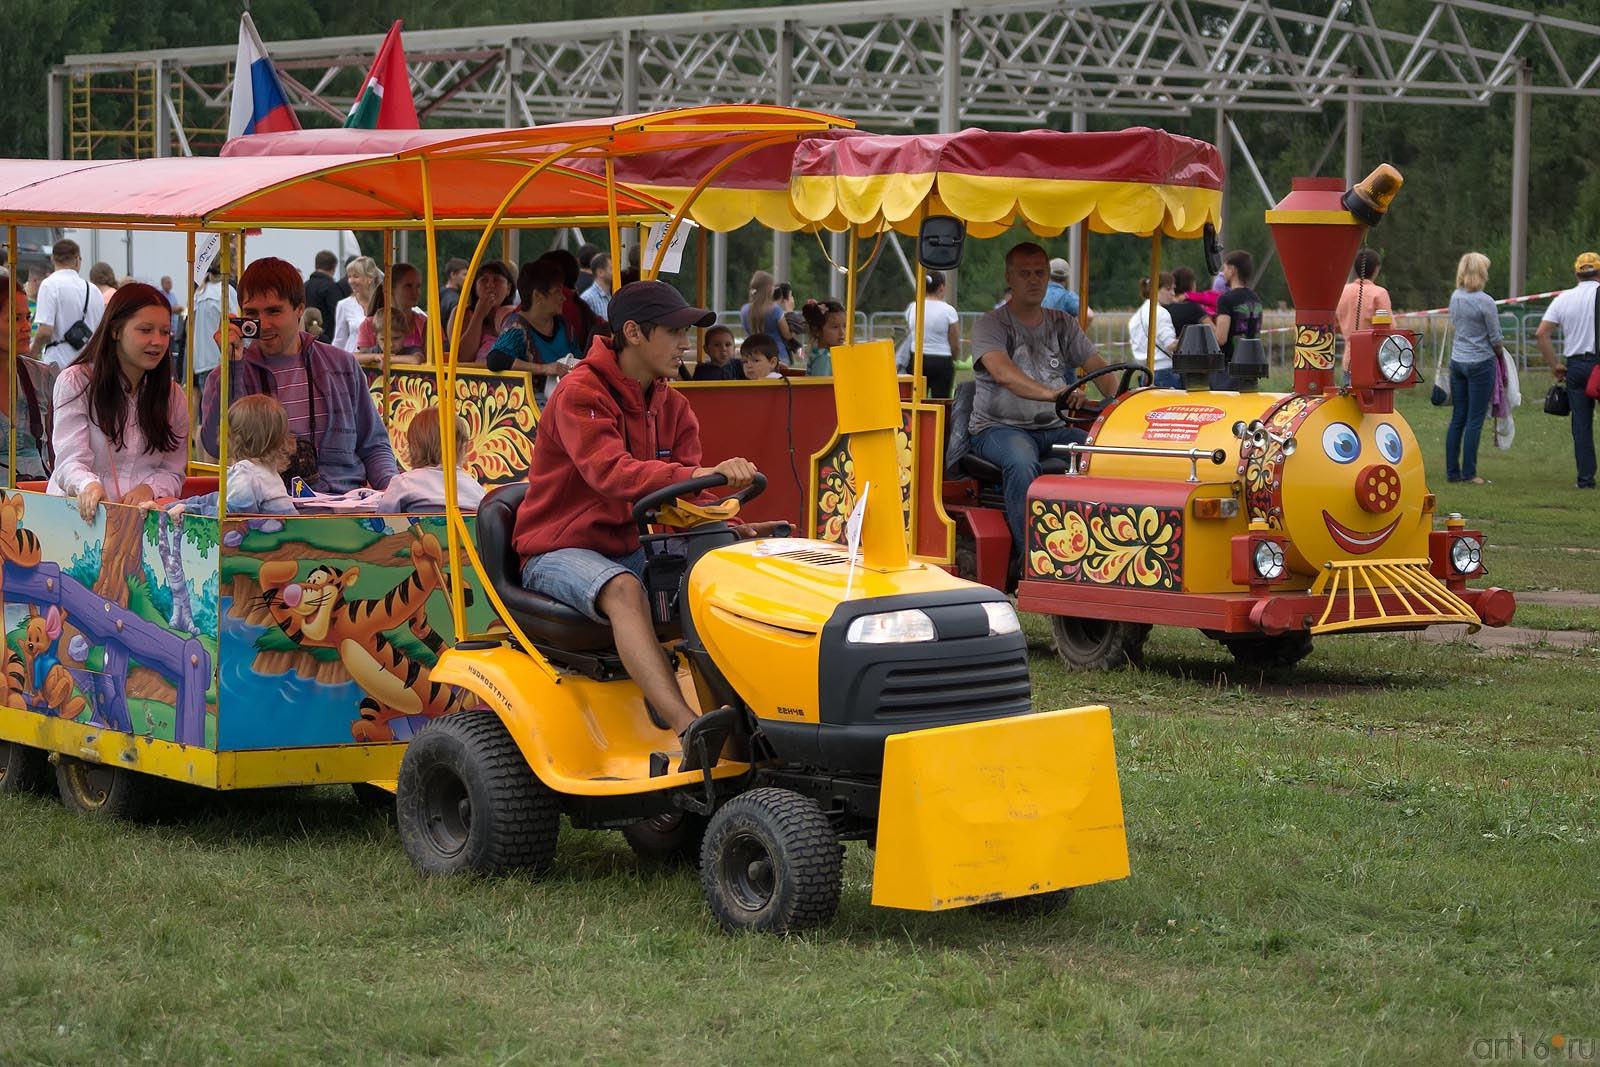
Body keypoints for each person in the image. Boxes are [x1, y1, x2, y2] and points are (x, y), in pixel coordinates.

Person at [511, 280, 770, 764]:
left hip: (626, 544)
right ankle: (687, 726)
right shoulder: (579, 394)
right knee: (625, 588)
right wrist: (697, 475)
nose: (685, 343)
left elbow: (685, 499)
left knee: (726, 569)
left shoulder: (673, 405)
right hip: (557, 550)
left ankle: (760, 713)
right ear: (632, 332)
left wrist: (723, 521)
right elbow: (613, 473)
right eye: (674, 332)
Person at [200, 257, 397, 494]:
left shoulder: (342, 365)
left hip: (344, 506)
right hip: (267, 510)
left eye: (274, 311)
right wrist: (232, 369)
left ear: (299, 309)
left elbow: (374, 445)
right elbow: (216, 445)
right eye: (252, 313)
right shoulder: (228, 373)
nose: (263, 324)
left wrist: (395, 490)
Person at [969, 242, 1110, 559]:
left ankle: (1097, 548)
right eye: (1025, 273)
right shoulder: (989, 325)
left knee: (1102, 452)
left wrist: (1125, 399)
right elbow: (1004, 373)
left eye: (1040, 273)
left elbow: (1098, 367)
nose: (1034, 280)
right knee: (1021, 464)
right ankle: (1031, 559)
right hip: (998, 429)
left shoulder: (1063, 323)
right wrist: (1052, 394)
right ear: (1009, 277)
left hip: (1054, 428)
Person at [48, 283, 188, 522]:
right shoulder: (76, 382)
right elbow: (70, 460)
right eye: (145, 330)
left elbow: (173, 470)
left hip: (141, 521)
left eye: (165, 332)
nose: (158, 341)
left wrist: (150, 489)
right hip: (77, 520)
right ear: (115, 331)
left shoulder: (173, 396)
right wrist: (87, 485)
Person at [170, 395, 297, 518]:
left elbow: (231, 516)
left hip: (269, 536)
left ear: (236, 438)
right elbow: (219, 498)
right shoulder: (266, 471)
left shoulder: (246, 473)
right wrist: (182, 504)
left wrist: (190, 510)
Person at [1536, 251, 1600, 489]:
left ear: (1576, 273)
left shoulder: (1564, 298)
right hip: (1599, 365)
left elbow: (1541, 333)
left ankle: (1585, 479)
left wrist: (1555, 366)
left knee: (1581, 425)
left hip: (1575, 366)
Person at [1444, 252, 1504, 486]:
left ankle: (1452, 472)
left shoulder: (1455, 297)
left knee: (1458, 416)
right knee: (1475, 418)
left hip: (1458, 361)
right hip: (1480, 362)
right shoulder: (1485, 301)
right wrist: (1501, 356)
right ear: (1482, 273)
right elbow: (1495, 337)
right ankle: (1469, 472)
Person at [487, 259, 581, 401]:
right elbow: (495, 359)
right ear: (538, 296)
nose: (563, 298)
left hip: (567, 397)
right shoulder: (517, 327)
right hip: (532, 405)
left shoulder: (564, 325)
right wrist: (544, 368)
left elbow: (579, 358)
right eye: (557, 292)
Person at [374, 408, 486, 513]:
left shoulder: (403, 483)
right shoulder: (475, 487)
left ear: (412, 447)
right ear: (463, 447)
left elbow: (383, 519)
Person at [30, 239, 105, 368]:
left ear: (53, 259)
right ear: (77, 260)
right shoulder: (94, 290)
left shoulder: (49, 285)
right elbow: (101, 332)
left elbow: (45, 332)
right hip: (90, 364)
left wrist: (32, 353)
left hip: (58, 364)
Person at [1337, 247, 1393, 378]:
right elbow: (1389, 328)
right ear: (1376, 269)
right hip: (1374, 360)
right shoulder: (1379, 293)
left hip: (1349, 360)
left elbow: (1335, 325)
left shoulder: (1342, 292)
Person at [1211, 250, 1263, 389]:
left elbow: (1221, 338)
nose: (1223, 273)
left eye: (1225, 268)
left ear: (1233, 270)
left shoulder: (1226, 299)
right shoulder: (1255, 298)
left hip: (1229, 369)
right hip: (1251, 366)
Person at [357, 261, 427, 359]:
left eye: (418, 286)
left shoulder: (426, 325)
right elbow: (362, 360)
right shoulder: (369, 325)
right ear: (389, 288)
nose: (415, 292)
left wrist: (385, 359)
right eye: (408, 286)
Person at [907, 270, 960, 398]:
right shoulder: (948, 310)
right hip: (941, 360)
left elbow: (911, 332)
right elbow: (954, 341)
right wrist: (955, 358)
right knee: (940, 403)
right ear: (941, 287)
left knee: (915, 401)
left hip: (917, 358)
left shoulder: (913, 307)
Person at [453, 260, 518, 363]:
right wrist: (478, 316)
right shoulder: (462, 313)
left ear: (509, 288)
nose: (490, 285)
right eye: (484, 280)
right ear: (475, 287)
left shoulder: (516, 316)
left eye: (496, 279)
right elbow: (462, 358)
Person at [1128, 272, 1180, 389]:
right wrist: (1188, 340)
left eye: (1173, 289)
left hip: (1145, 372)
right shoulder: (1161, 312)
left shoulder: (1137, 316)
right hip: (1164, 373)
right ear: (1156, 289)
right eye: (1168, 289)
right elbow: (1170, 345)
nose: (1173, 293)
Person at [189, 265, 236, 395]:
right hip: (221, 362)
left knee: (208, 412)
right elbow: (238, 324)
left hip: (201, 364)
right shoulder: (225, 291)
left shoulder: (199, 293)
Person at [332, 256, 380, 353]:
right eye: (349, 277)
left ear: (369, 278)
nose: (351, 281)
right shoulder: (344, 305)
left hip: (380, 361)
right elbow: (339, 340)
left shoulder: (383, 303)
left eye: (355, 276)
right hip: (352, 362)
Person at [739, 270, 794, 352]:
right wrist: (790, 311)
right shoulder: (775, 310)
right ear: (768, 289)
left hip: (753, 353)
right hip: (776, 354)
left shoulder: (744, 310)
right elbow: (788, 335)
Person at [799, 299, 847, 376]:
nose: (842, 332)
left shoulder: (826, 354)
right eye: (835, 327)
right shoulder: (823, 358)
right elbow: (822, 386)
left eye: (844, 326)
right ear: (817, 330)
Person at [303, 251, 343, 345]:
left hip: (305, 339)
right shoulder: (331, 288)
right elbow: (338, 314)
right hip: (326, 340)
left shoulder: (305, 286)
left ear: (316, 265)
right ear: (333, 267)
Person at [1165, 266, 1211, 337]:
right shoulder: (1193, 308)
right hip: (1191, 346)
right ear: (1191, 284)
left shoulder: (1164, 306)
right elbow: (1214, 334)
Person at [581, 252, 612, 320]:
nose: (615, 272)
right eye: (611, 268)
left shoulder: (612, 294)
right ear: (600, 272)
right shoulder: (588, 298)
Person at [438, 257, 468, 329]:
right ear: (453, 275)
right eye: (465, 274)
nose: (467, 278)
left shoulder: (439, 293)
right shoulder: (455, 300)